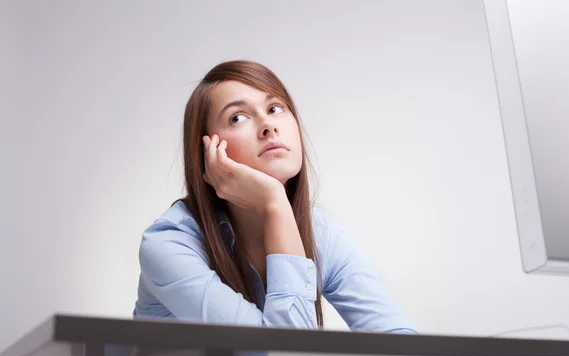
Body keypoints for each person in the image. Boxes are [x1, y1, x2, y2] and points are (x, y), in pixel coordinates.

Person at [134, 60, 416, 335]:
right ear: (207, 155)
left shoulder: (320, 233)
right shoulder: (168, 245)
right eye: (238, 117)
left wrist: (276, 206)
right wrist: (275, 203)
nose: (268, 125)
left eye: (275, 108)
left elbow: (405, 353)